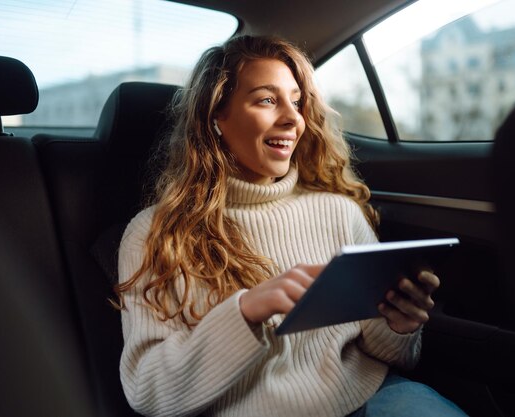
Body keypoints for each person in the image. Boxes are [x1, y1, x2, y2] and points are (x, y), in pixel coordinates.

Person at [115, 35, 467, 417]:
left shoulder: (339, 211)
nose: (293, 118)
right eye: (268, 100)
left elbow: (380, 349)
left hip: (371, 398)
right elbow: (148, 390)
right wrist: (247, 310)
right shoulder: (153, 234)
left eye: (296, 102)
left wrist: (400, 326)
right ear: (216, 116)